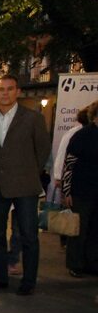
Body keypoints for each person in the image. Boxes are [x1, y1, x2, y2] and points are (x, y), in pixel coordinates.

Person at [0, 74, 50, 295]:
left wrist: (29, 172)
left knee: (28, 236)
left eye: (10, 89)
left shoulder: (32, 119)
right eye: (1, 89)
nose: (5, 93)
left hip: (25, 186)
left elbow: (43, 150)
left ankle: (28, 282)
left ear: (18, 92)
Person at [62, 102, 98, 277]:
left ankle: (92, 263)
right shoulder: (82, 135)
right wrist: (67, 191)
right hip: (81, 190)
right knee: (78, 229)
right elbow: (69, 164)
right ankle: (75, 264)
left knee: (95, 230)